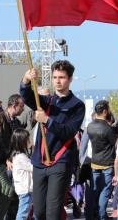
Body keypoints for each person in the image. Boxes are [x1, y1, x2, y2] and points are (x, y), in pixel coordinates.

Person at [19, 61, 86, 220]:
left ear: (70, 79)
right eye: (55, 77)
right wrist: (26, 80)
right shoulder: (46, 101)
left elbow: (68, 132)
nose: (57, 81)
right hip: (39, 162)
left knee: (53, 212)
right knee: (39, 211)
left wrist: (47, 120)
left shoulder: (77, 105)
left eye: (62, 77)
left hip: (60, 162)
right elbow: (27, 96)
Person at [84, 100, 118, 220]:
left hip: (95, 162)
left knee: (94, 190)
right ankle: (102, 215)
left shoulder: (90, 126)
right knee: (105, 191)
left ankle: (92, 214)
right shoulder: (107, 128)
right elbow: (114, 144)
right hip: (107, 163)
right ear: (104, 111)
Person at [9, 128, 33, 220]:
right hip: (25, 190)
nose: (30, 141)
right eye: (28, 139)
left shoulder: (19, 156)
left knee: (25, 211)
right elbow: (33, 167)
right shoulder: (21, 157)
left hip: (25, 189)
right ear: (22, 142)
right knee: (23, 212)